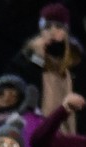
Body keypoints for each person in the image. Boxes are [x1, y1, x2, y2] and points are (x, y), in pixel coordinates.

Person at [7, 3, 83, 136]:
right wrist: (37, 58)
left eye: (58, 27)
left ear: (66, 31)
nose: (52, 32)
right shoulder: (27, 56)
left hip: (69, 132)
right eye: (47, 27)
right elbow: (21, 87)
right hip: (37, 130)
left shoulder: (77, 60)